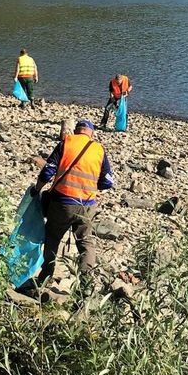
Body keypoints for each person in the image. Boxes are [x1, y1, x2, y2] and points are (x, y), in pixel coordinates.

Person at [35, 120, 113, 294]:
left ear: (76, 131)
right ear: (91, 134)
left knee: (53, 237)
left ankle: (45, 276)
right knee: (86, 242)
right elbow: (108, 182)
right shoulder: (99, 149)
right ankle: (86, 285)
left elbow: (48, 172)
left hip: (62, 203)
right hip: (87, 205)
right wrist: (91, 186)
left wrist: (37, 189)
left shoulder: (66, 143)